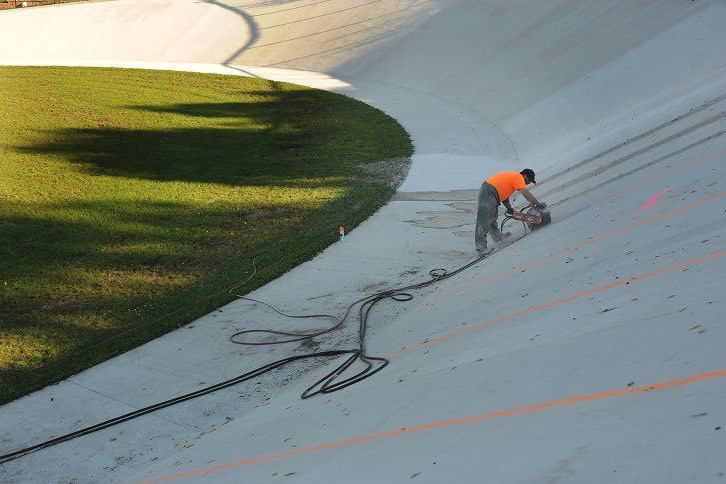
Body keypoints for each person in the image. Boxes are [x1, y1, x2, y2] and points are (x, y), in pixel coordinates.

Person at [475, 168, 546, 253]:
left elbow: (505, 196)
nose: (529, 183)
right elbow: (525, 193)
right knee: (484, 219)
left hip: (490, 191)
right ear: (525, 176)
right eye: (530, 180)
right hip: (489, 191)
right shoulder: (518, 177)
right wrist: (537, 204)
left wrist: (509, 208)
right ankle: (481, 247)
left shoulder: (513, 179)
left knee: (492, 217)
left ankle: (497, 237)